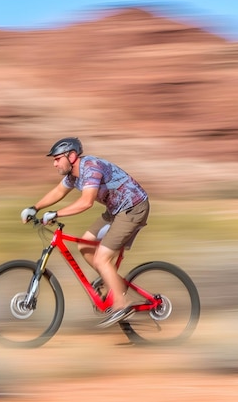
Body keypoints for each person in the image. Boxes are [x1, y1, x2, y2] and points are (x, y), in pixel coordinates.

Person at [20, 137, 150, 328]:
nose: (54, 163)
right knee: (84, 245)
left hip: (133, 208)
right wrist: (35, 207)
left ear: (71, 156)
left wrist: (56, 213)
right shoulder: (73, 174)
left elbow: (86, 202)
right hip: (114, 210)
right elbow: (58, 191)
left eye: (57, 158)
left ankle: (123, 304)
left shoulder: (91, 168)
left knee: (101, 259)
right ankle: (112, 283)